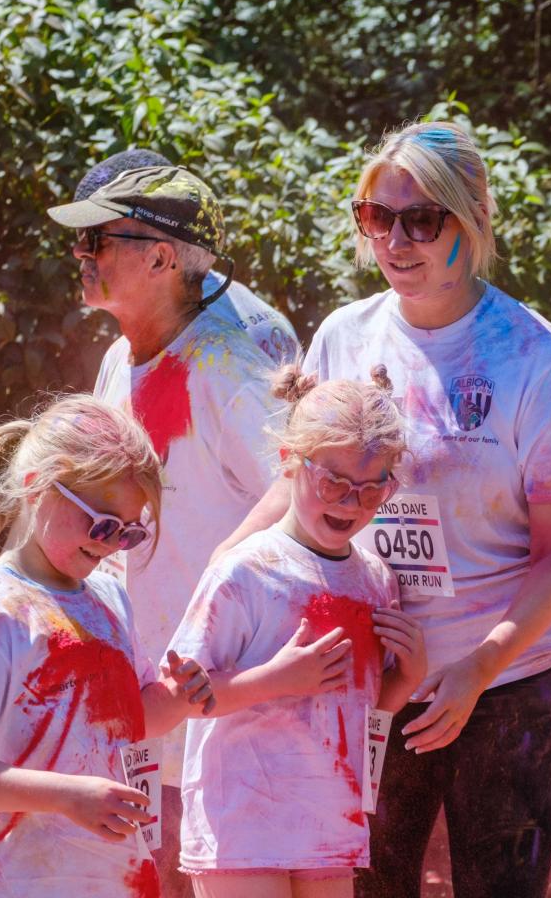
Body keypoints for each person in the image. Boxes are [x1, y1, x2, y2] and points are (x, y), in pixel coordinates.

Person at [213, 120, 551, 898]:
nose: (395, 239)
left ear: (473, 220)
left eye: (422, 219)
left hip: (511, 687)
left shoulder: (535, 360)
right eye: (375, 216)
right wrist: (219, 574)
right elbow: (298, 483)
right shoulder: (345, 338)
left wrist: (477, 667)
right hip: (373, 677)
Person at [47, 159, 300, 882]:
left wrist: (216, 579)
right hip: (145, 700)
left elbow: (298, 482)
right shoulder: (117, 357)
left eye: (97, 239)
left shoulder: (232, 353)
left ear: (160, 256)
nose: (81, 255)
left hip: (224, 701)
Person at [0, 394, 216, 897]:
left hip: (112, 878)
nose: (108, 544)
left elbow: (128, 721)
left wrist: (176, 698)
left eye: (128, 533)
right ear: (38, 488)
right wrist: (68, 796)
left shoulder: (107, 597)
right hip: (16, 878)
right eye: (101, 524)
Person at [167, 366, 428, 898]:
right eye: (332, 482)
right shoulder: (244, 571)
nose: (349, 504)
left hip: (329, 825)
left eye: (372, 491)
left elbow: (371, 709)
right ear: (289, 463)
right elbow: (181, 696)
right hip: (240, 827)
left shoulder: (375, 579)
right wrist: (275, 679)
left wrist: (410, 676)